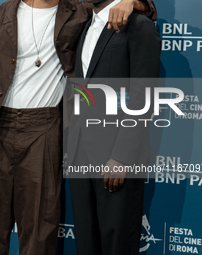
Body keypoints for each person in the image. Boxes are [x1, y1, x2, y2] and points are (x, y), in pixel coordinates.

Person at [0, 0, 157, 254]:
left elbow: (143, 11)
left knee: (39, 236)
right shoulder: (5, 12)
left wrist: (132, 1)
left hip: (44, 129)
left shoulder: (79, 11)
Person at [67, 0, 161, 254]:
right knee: (86, 245)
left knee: (117, 246)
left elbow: (143, 98)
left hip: (116, 161)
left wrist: (122, 157)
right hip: (79, 156)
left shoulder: (139, 26)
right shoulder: (85, 25)